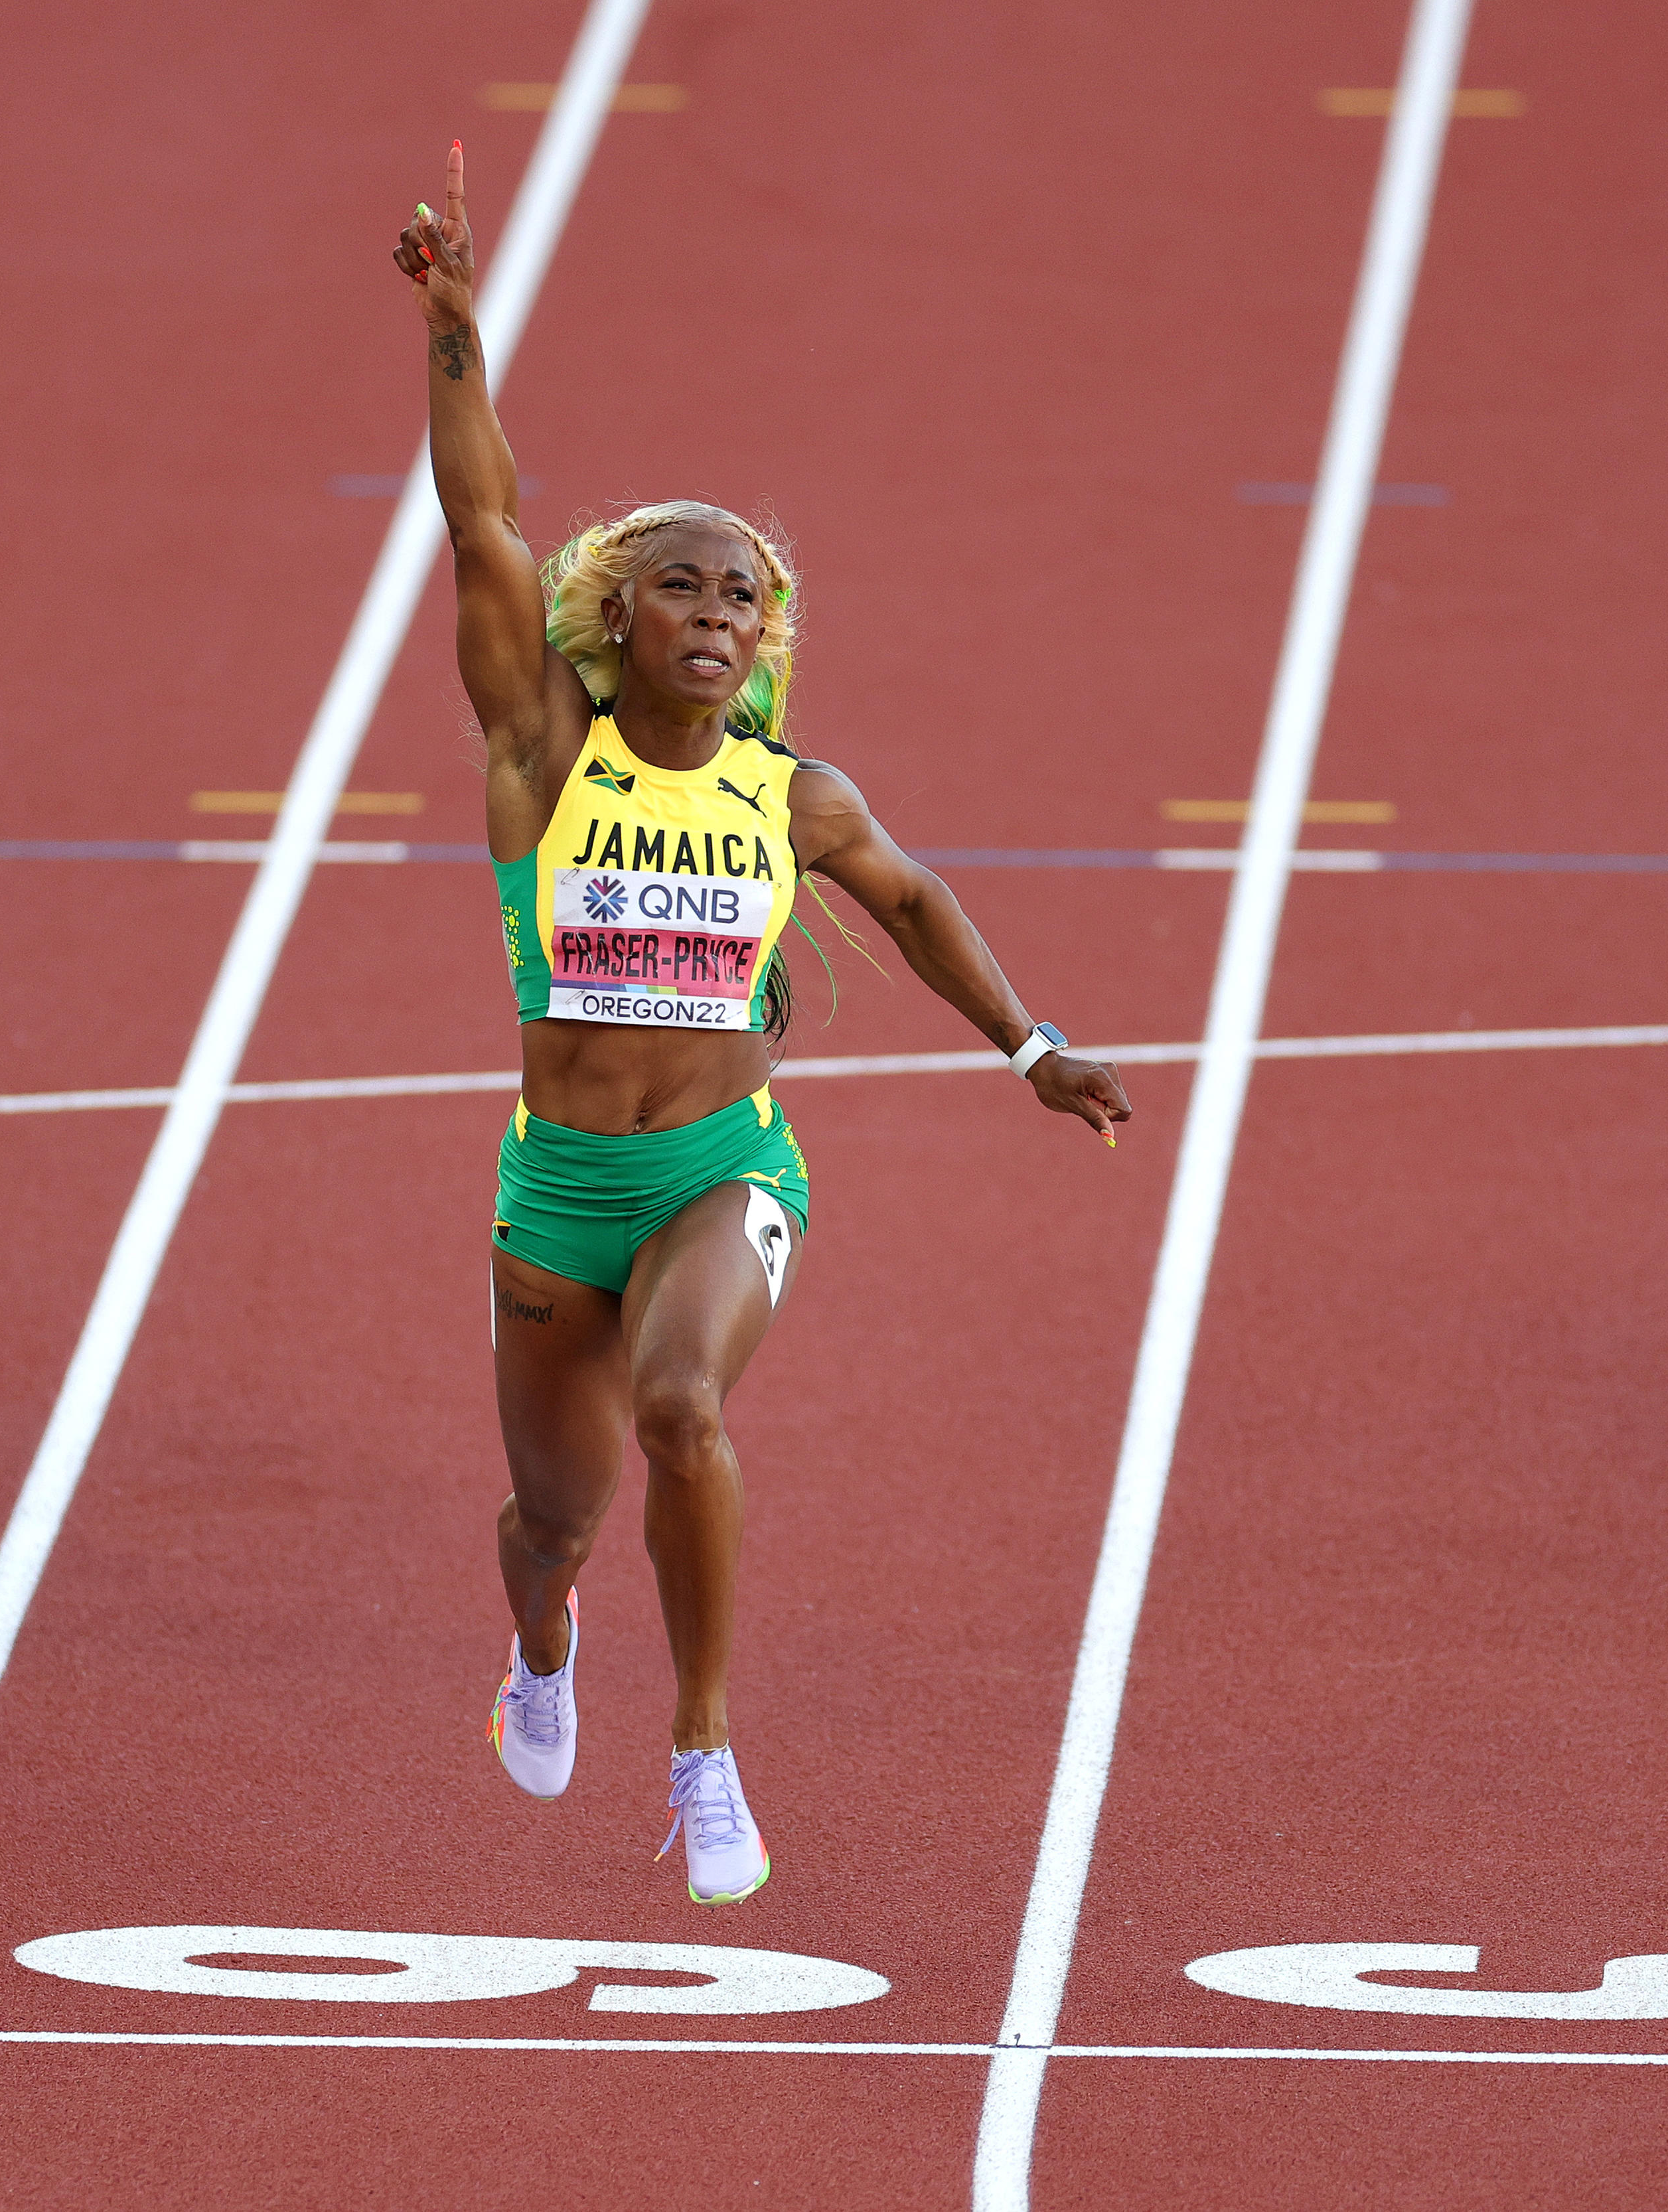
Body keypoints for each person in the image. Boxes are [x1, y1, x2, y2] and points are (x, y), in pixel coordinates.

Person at [394, 147, 1133, 1901]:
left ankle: (707, 1742)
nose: (719, 611)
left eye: (744, 594)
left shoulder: (791, 792)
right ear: (613, 620)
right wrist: (450, 326)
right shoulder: (538, 754)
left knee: (682, 1411)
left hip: (725, 1167)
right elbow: (483, 520)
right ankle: (549, 1644)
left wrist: (1030, 1048)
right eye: (682, 585)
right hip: (556, 1190)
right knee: (550, 1517)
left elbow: (916, 898)